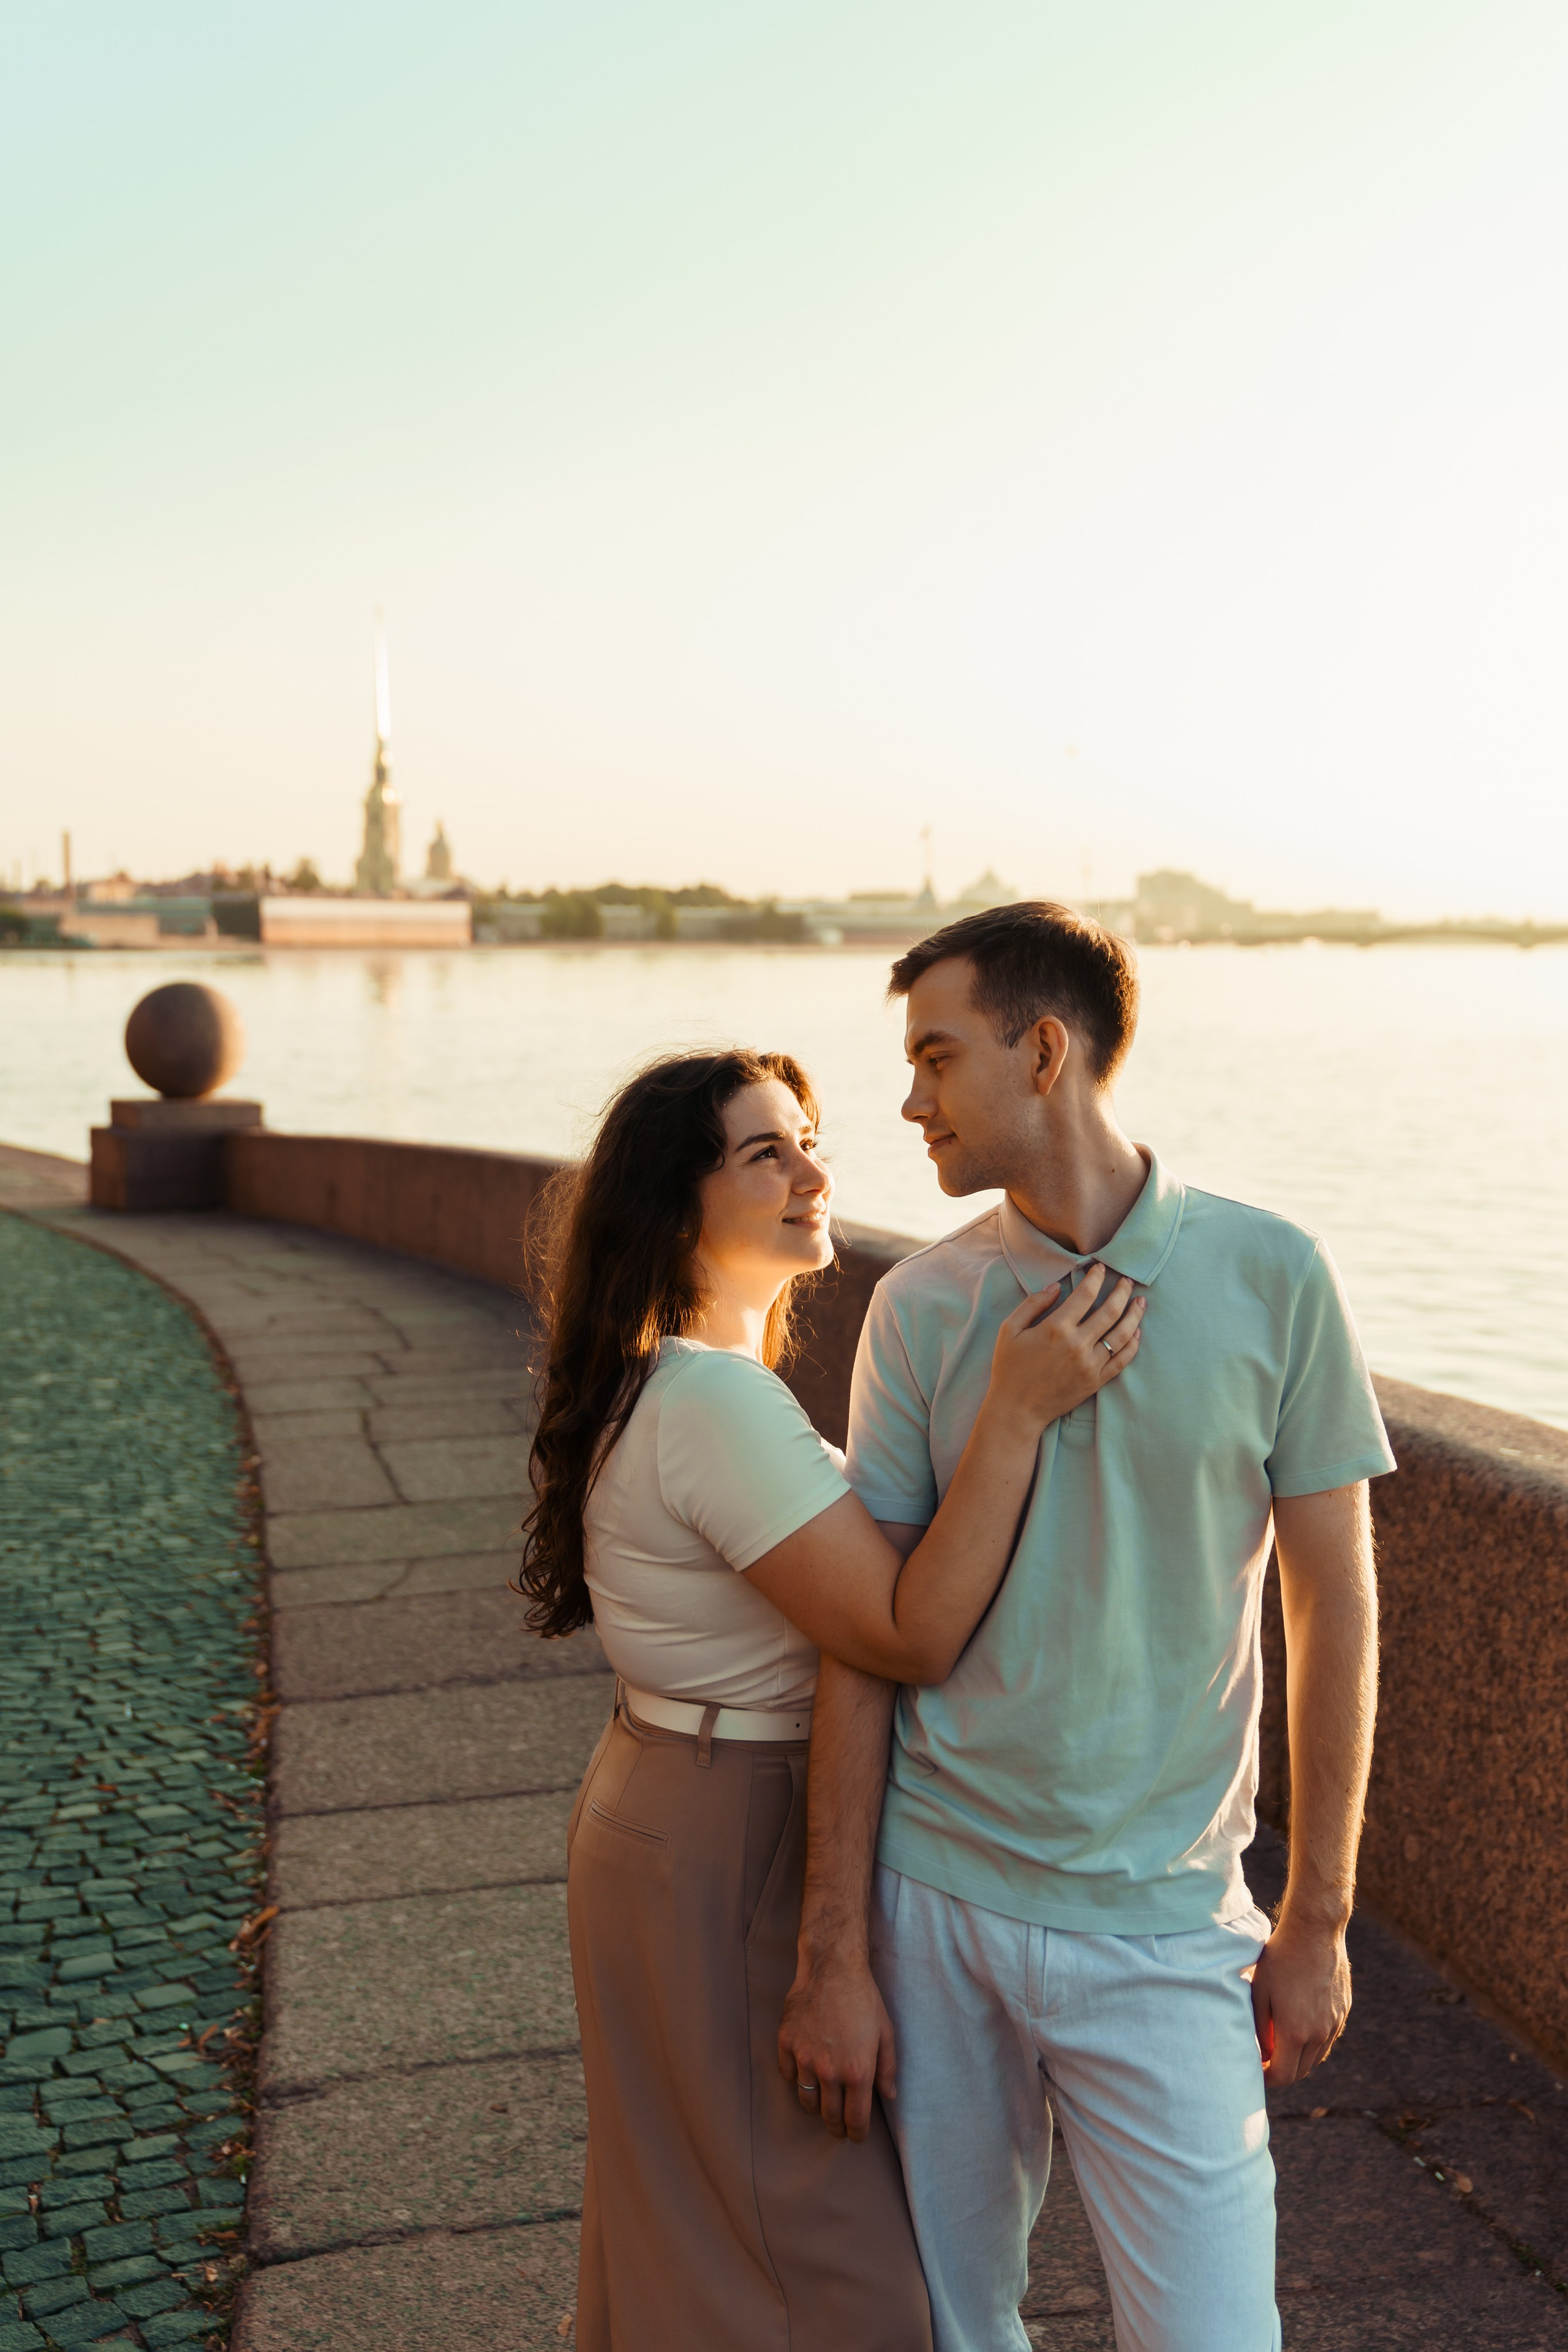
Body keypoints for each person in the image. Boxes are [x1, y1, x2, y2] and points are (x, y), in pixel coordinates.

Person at [778, 904, 1395, 2352]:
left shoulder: (1272, 1277)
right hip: (932, 1903)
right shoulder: (922, 1307)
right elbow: (868, 1636)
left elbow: (1334, 1603)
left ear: (1042, 1051)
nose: (909, 1099)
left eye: (936, 1057)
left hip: (1166, 1927)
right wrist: (832, 1953)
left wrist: (1314, 1917)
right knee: (942, 2330)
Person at [518, 1046, 1145, 2352]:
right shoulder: (708, 1402)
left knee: (689, 2231)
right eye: (766, 1151)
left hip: (666, 1801)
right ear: (670, 1200)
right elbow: (902, 1631)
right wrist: (1016, 1416)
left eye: (808, 1137)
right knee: (821, 2263)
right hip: (726, 1827)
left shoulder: (671, 1382)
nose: (815, 1170)